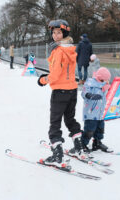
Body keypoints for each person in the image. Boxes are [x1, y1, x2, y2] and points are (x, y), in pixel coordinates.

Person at [37, 19, 86, 167]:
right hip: (72, 90)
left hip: (60, 92)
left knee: (55, 123)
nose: (55, 35)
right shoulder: (71, 49)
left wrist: (43, 80)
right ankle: (78, 147)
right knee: (70, 119)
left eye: (59, 32)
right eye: (53, 33)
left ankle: (57, 156)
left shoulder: (58, 51)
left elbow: (55, 74)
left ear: (64, 33)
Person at [81, 67, 113, 153]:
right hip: (91, 113)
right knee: (89, 130)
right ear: (100, 78)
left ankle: (97, 143)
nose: (107, 82)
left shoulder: (104, 86)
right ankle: (82, 144)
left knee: (100, 129)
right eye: (105, 80)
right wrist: (89, 95)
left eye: (107, 80)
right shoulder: (90, 83)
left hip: (99, 113)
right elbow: (84, 92)